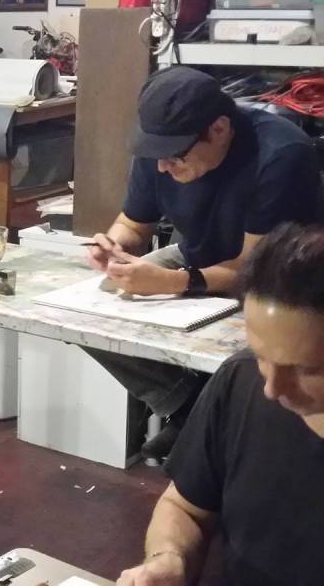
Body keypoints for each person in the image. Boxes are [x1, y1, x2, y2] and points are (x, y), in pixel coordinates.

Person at [84, 67, 323, 459]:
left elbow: (252, 270)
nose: (162, 167)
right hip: (198, 256)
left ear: (219, 129)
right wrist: (112, 245)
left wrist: (172, 283)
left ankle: (223, 423)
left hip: (279, 278)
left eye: (175, 157)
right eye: (156, 156)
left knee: (255, 351)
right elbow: (133, 223)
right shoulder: (161, 149)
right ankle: (188, 405)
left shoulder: (281, 154)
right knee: (92, 310)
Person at [116, 223, 324, 586]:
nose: (272, 389)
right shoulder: (240, 380)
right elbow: (185, 508)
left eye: (305, 369)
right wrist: (168, 558)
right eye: (261, 356)